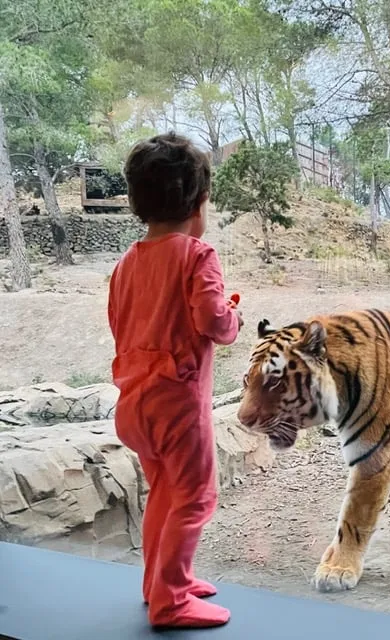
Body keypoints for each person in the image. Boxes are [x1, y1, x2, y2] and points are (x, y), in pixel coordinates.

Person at [107, 132, 242, 628]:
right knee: (196, 496)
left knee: (163, 492)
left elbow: (121, 325)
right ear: (198, 203)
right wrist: (231, 318)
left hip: (134, 403)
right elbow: (212, 323)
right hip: (177, 407)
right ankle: (171, 601)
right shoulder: (196, 255)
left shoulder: (125, 264)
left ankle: (162, 581)